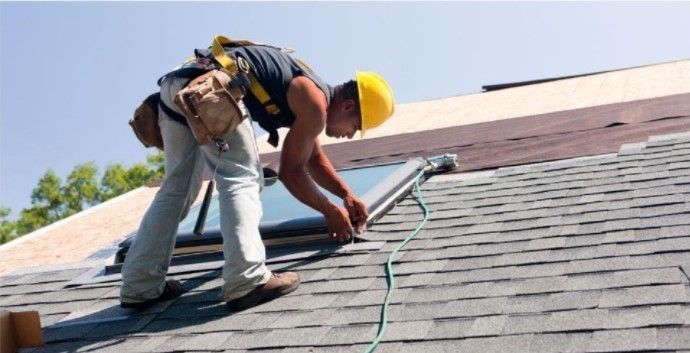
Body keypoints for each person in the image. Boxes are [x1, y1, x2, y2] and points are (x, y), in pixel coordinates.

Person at [119, 41, 395, 311]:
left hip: (179, 86)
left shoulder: (311, 91)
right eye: (355, 126)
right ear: (347, 106)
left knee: (177, 190)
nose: (350, 134)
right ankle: (247, 279)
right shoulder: (314, 103)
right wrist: (329, 210)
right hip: (211, 89)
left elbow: (312, 157)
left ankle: (140, 285)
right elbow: (291, 172)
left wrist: (346, 195)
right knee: (242, 176)